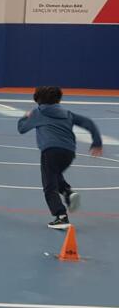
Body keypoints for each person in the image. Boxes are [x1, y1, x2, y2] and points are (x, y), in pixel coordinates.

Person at [18, 86, 104, 230]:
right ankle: (67, 192)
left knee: (49, 185)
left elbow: (22, 129)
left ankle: (61, 216)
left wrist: (25, 116)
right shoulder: (67, 113)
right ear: (58, 99)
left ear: (37, 100)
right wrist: (97, 142)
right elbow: (88, 122)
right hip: (69, 152)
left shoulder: (38, 112)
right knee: (54, 175)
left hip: (50, 151)